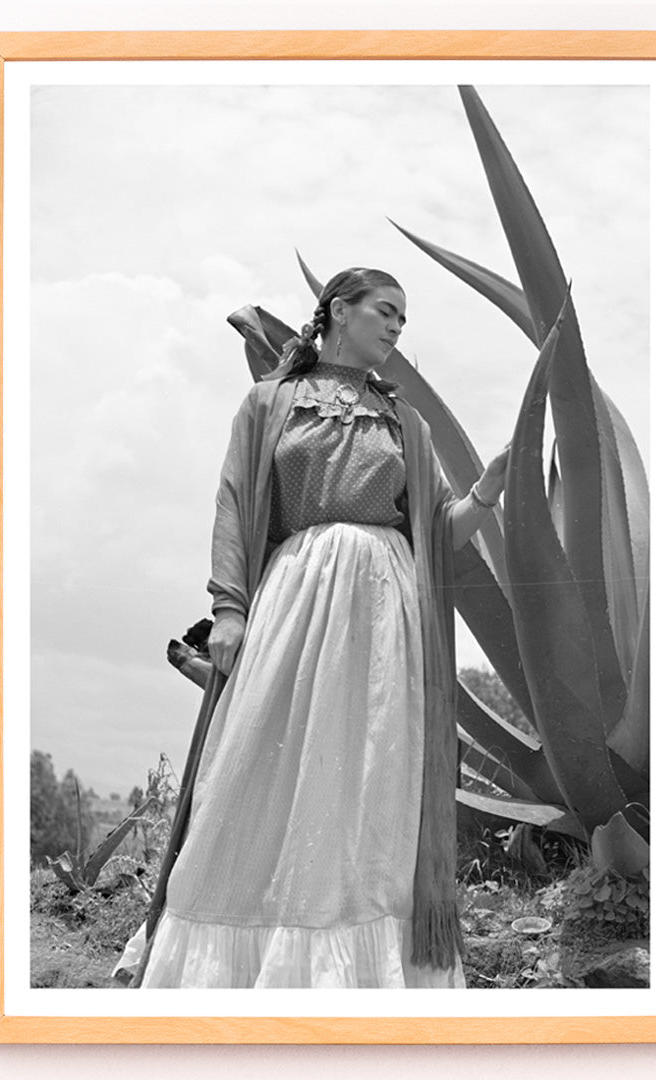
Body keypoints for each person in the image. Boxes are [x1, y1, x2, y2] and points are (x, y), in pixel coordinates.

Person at [116, 267, 508, 988]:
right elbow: (236, 502)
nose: (396, 327)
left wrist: (485, 493)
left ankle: (362, 966)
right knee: (255, 760)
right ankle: (237, 958)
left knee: (368, 775)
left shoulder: (405, 422)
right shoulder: (268, 403)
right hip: (295, 596)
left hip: (386, 613)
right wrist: (229, 608)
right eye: (385, 311)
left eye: (403, 318)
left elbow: (436, 533)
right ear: (338, 311)